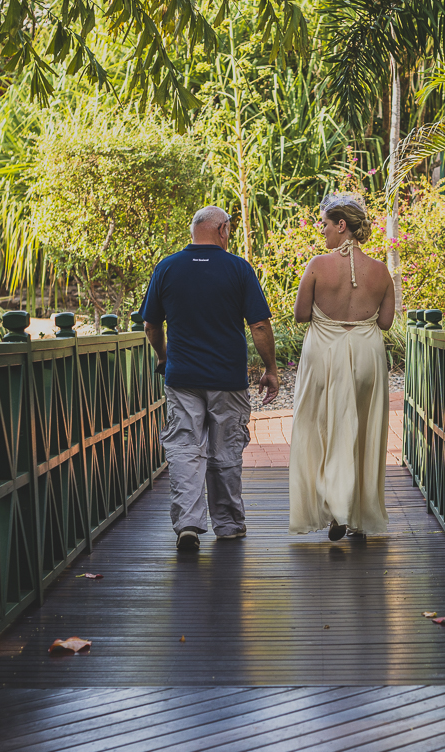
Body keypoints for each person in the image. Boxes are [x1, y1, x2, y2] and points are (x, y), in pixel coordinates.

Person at [141, 206, 280, 552]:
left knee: (185, 448)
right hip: (227, 378)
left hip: (183, 376)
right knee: (225, 449)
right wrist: (271, 369)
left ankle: (188, 522)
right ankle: (228, 524)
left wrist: (163, 356)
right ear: (222, 230)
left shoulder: (167, 267)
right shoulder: (237, 268)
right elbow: (260, 325)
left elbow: (150, 324)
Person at [288, 192, 394, 540]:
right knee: (362, 431)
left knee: (321, 429)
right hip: (366, 355)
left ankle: (336, 508)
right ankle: (359, 515)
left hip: (324, 353)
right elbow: (386, 322)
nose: (322, 232)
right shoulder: (381, 271)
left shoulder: (318, 265)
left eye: (325, 225)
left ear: (342, 225)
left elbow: (301, 314)